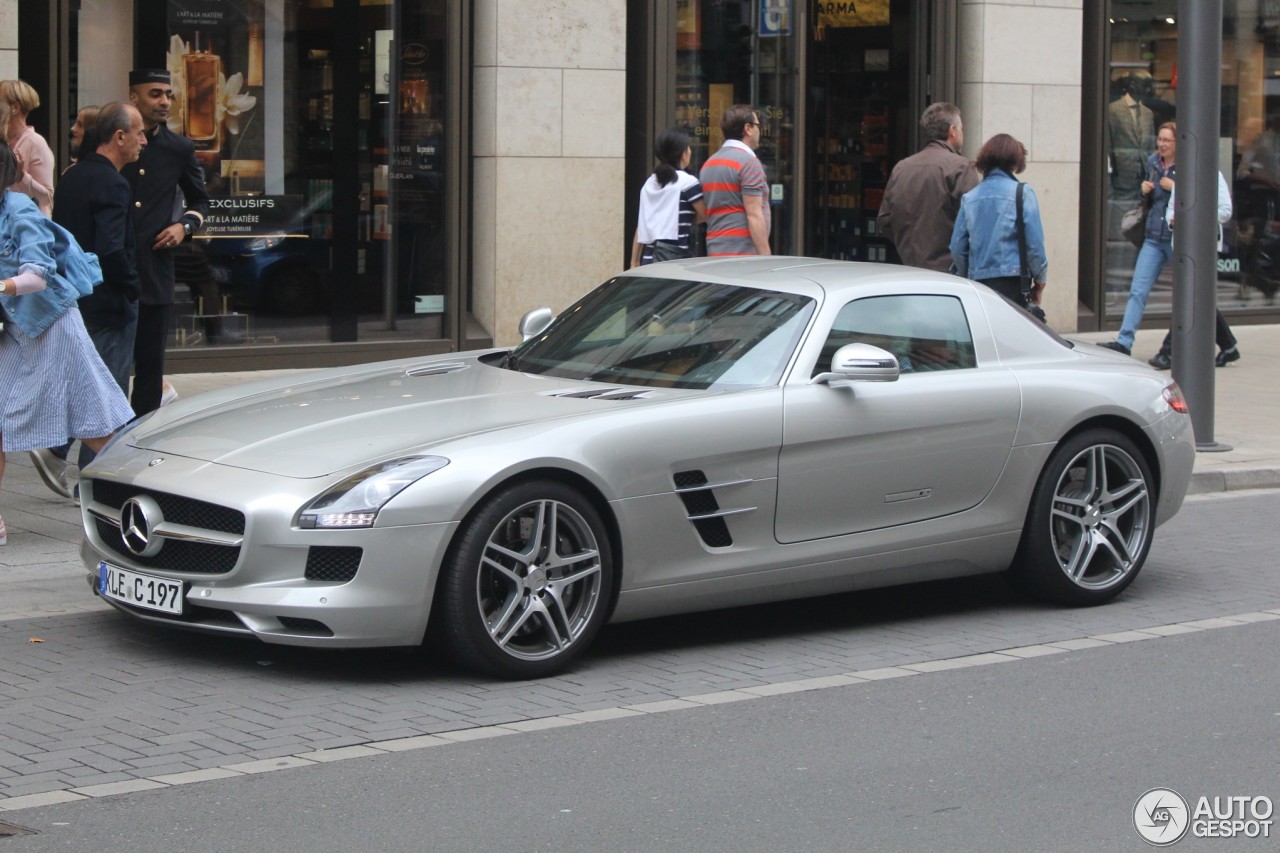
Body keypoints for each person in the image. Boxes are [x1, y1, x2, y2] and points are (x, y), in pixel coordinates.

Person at [0, 141, 135, 544]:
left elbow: (38, 275)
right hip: (15, 329)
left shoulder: (18, 210)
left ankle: (141, 494)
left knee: (94, 420)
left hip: (53, 324)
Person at [27, 103, 148, 499]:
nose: (143, 141)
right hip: (109, 301)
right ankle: (96, 480)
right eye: (139, 133)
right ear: (118, 137)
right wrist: (133, 286)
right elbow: (112, 248)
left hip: (76, 298)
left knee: (83, 380)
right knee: (107, 390)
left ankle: (58, 450)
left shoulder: (74, 176)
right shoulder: (113, 183)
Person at [124, 68, 210, 416]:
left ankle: (138, 440)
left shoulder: (179, 147)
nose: (163, 101)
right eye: (154, 94)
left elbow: (200, 201)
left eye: (167, 95)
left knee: (149, 367)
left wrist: (184, 227)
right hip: (112, 265)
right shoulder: (113, 138)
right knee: (107, 361)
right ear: (133, 97)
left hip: (154, 267)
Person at [1145, 173, 1240, 369]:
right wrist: (1173, 220)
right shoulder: (1182, 171)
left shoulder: (1212, 171)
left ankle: (1168, 351)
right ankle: (1228, 346)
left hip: (1204, 247)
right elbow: (1173, 207)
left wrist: (1192, 217)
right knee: (1199, 299)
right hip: (1182, 245)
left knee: (1189, 297)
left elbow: (1225, 211)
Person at [1100, 122, 1178, 356]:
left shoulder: (1187, 166)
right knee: (1138, 290)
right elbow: (1147, 199)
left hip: (1176, 239)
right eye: (1160, 139)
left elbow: (1197, 197)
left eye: (1167, 140)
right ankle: (1124, 342)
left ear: (1177, 143)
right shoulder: (1153, 162)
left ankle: (1196, 343)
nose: (1162, 144)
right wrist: (1143, 190)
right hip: (1153, 237)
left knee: (1188, 293)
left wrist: (1175, 187)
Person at [949, 134, 1047, 313]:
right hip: (1013, 281)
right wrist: (1039, 281)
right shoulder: (1023, 193)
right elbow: (1034, 246)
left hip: (978, 283)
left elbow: (957, 248)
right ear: (1015, 161)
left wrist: (967, 275)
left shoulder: (970, 198)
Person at [877, 102, 979, 272]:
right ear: (952, 130)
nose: (962, 133)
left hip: (910, 267)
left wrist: (909, 246)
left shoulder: (901, 168)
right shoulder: (962, 167)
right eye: (961, 128)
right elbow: (976, 223)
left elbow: (885, 220)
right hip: (950, 273)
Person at [699, 105, 771, 257]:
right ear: (748, 128)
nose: (760, 131)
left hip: (715, 250)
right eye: (758, 125)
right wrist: (766, 257)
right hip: (744, 255)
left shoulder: (709, 164)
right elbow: (754, 214)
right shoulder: (749, 162)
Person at [630, 127, 706, 267]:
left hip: (649, 260)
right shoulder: (688, 182)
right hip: (674, 260)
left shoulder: (650, 183)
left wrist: (634, 261)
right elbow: (706, 215)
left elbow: (642, 226)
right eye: (688, 148)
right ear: (683, 154)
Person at [1, 79, 55, 217]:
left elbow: (46, 197)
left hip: (25, 228)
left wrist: (22, 176)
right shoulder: (4, 144)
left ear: (15, 108)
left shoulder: (35, 143)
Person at [1107, 72, 1156, 200]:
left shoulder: (1148, 114)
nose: (1148, 89)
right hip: (1121, 182)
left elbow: (1150, 148)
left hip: (1145, 182)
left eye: (1149, 85)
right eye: (1145, 85)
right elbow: (1108, 148)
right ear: (1132, 84)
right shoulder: (1113, 110)